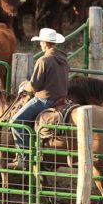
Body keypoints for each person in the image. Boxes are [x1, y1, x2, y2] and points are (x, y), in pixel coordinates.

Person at [8, 27, 69, 170]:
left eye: (41, 42)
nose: (40, 44)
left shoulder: (44, 60)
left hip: (45, 100)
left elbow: (34, 86)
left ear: (45, 43)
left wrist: (24, 87)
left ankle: (24, 159)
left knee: (15, 121)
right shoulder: (63, 60)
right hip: (61, 98)